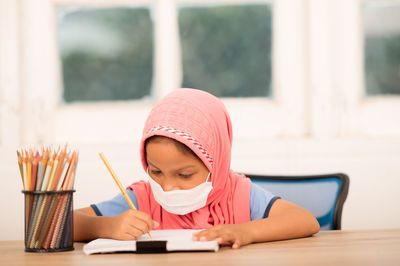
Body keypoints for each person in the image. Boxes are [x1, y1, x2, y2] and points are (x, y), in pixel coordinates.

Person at [74, 88, 320, 249]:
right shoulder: (141, 199)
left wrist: (247, 231)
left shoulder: (239, 194)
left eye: (184, 175)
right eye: (155, 171)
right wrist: (105, 226)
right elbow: (60, 223)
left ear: (217, 164)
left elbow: (306, 220)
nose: (167, 187)